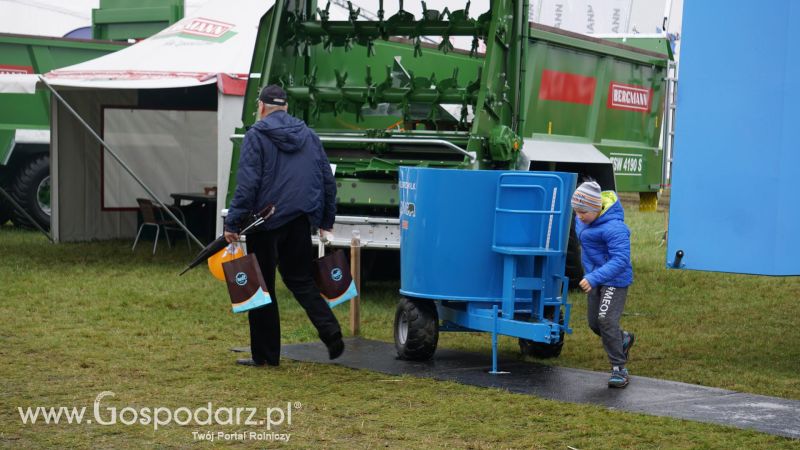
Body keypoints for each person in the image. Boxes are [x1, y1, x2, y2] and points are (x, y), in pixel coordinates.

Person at [224, 85, 344, 367]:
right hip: (299, 220)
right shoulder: (309, 136)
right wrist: (326, 220)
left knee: (261, 287)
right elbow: (327, 179)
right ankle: (331, 332)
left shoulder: (256, 135)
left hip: (265, 222)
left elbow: (248, 183)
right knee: (300, 279)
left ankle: (266, 357)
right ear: (286, 108)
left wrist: (233, 222)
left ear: (262, 107)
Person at [571, 181, 635, 388]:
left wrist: (594, 278)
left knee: (606, 320)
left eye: (583, 212)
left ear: (596, 208)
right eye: (576, 212)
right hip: (595, 277)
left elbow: (621, 259)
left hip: (614, 279)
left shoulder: (615, 228)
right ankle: (622, 339)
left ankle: (619, 369)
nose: (579, 217)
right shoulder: (583, 220)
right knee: (594, 323)